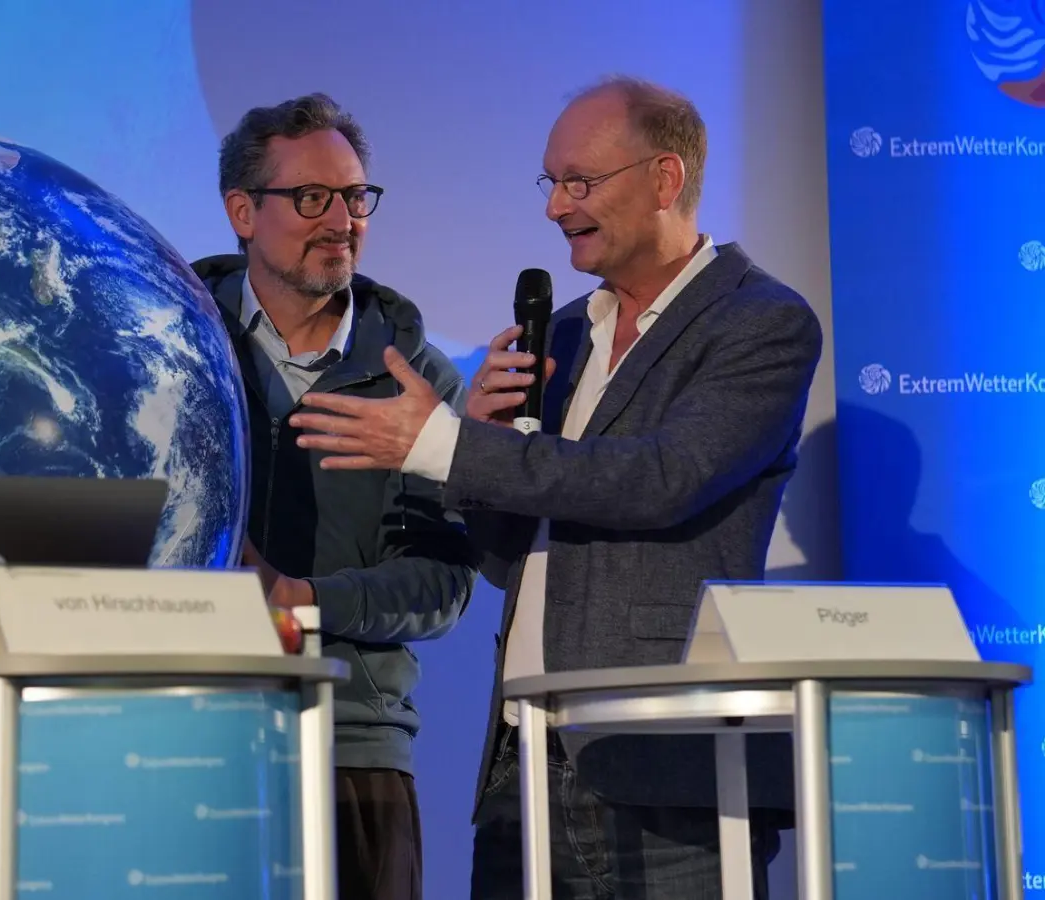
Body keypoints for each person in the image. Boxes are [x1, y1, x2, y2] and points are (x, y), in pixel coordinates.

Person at [288, 76, 824, 897]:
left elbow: (660, 479)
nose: (555, 207)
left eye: (581, 182)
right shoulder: (566, 332)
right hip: (525, 763)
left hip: (671, 774)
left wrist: (446, 444)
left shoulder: (760, 323)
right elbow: (511, 560)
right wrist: (493, 443)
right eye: (552, 183)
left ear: (665, 179)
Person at [191, 92, 478, 900]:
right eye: (311, 199)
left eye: (354, 198)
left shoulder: (416, 382)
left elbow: (442, 581)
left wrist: (299, 601)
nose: (341, 220)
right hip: (182, 732)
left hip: (353, 745)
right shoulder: (171, 346)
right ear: (242, 211)